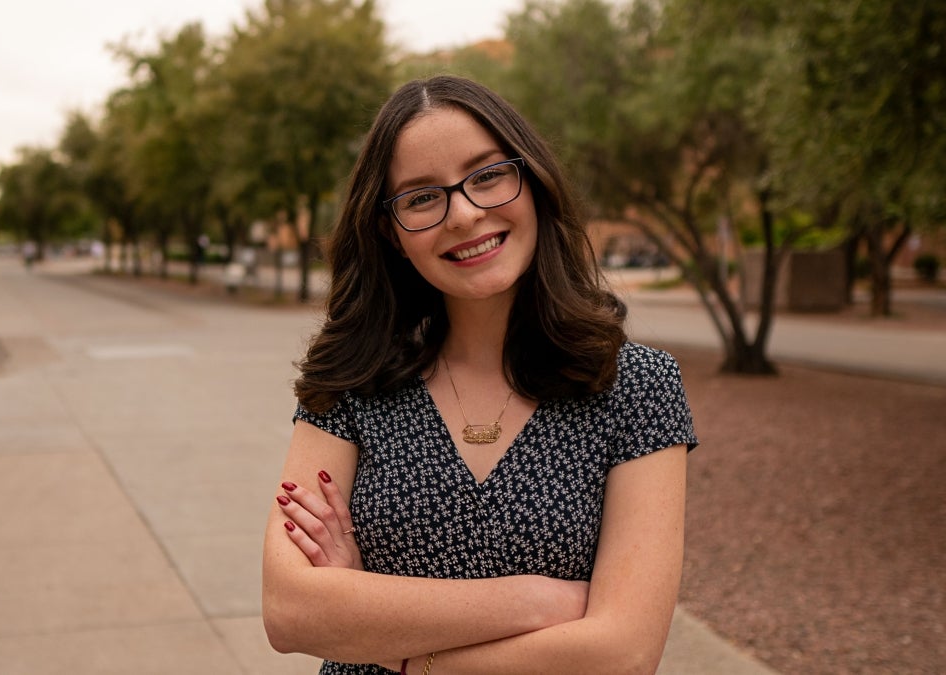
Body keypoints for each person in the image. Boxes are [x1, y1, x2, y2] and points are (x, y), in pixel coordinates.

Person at [262, 75, 697, 674]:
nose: (464, 214)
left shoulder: (636, 388)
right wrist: (538, 600)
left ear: (533, 181)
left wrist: (400, 649)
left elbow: (621, 655)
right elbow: (290, 612)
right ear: (393, 234)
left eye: (488, 175)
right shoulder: (353, 382)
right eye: (420, 198)